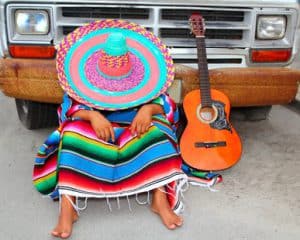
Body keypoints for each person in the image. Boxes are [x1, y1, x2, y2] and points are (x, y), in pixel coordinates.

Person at [33, 19, 187, 239]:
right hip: (97, 128)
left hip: (132, 125)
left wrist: (148, 110)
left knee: (159, 134)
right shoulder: (81, 82)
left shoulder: (146, 80)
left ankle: (159, 199)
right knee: (71, 136)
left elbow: (167, 106)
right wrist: (92, 115)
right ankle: (68, 207)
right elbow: (69, 109)